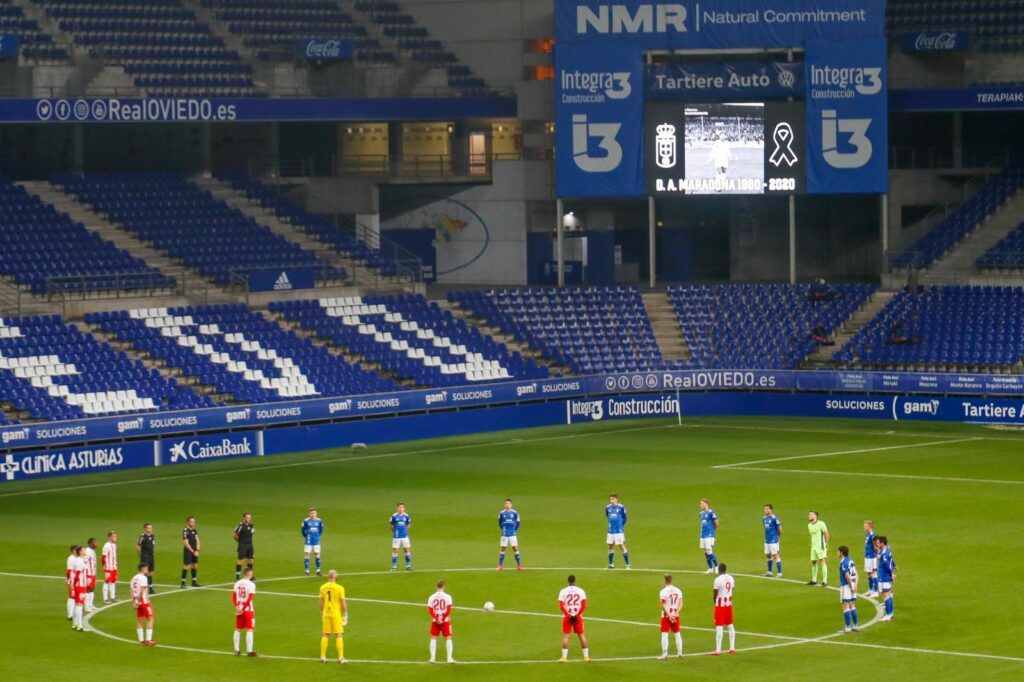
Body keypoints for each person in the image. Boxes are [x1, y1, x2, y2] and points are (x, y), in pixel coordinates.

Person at [558, 574, 590, 663]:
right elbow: (584, 605)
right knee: (582, 636)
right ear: (575, 581)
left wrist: (569, 615)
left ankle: (564, 658)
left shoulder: (563, 591)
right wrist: (577, 615)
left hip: (567, 617)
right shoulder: (581, 591)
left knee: (566, 637)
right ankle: (586, 657)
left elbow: (561, 606)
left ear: (568, 581)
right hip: (578, 617)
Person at [319, 569, 348, 663]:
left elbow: (321, 602)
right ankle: (341, 658)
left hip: (326, 613)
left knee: (325, 634)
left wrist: (322, 612)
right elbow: (343, 603)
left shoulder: (323, 587)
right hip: (336, 614)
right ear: (335, 576)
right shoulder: (340, 588)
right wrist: (345, 613)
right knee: (339, 634)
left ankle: (323, 657)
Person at [427, 580, 455, 664]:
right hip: (445, 620)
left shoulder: (432, 597)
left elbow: (430, 610)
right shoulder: (448, 597)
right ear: (444, 587)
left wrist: (437, 618)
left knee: (433, 637)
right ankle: (449, 659)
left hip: (435, 621)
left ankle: (432, 658)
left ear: (437, 586)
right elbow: (449, 609)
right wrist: (442, 619)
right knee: (448, 638)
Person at [232, 567, 257, 656]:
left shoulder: (237, 583)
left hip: (239, 609)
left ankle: (236, 650)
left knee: (238, 629)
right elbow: (250, 598)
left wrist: (237, 607)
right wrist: (243, 609)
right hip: (248, 610)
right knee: (249, 629)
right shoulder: (251, 585)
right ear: (249, 574)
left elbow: (233, 596)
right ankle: (249, 651)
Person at [711, 564, 735, 655]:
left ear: (720, 570)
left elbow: (715, 594)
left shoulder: (718, 580)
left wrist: (715, 603)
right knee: (730, 625)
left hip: (720, 605)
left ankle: (718, 650)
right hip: (728, 603)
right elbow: (732, 588)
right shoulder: (731, 578)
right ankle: (732, 648)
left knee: (719, 626)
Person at [658, 574, 684, 660]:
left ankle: (665, 654)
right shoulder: (678, 590)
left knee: (664, 634)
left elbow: (663, 605)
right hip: (675, 615)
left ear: (665, 580)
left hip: (666, 615)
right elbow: (681, 604)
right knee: (677, 634)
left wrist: (669, 615)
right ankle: (680, 653)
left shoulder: (663, 592)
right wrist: (675, 614)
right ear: (671, 580)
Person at [130, 563, 155, 646]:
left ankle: (141, 640)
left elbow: (131, 591)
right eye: (146, 569)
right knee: (151, 618)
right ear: (143, 568)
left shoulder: (133, 578)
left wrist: (134, 602)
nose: (147, 570)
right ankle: (148, 640)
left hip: (137, 602)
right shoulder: (143, 578)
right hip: (144, 601)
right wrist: (139, 600)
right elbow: (142, 590)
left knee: (140, 620)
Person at [838, 546, 860, 633]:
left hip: (846, 586)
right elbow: (857, 573)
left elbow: (847, 575)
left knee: (846, 606)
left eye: (838, 552)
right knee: (852, 605)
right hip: (853, 584)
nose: (837, 553)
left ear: (842, 552)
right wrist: (855, 585)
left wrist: (851, 586)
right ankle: (856, 626)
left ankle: (847, 628)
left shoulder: (843, 562)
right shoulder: (851, 560)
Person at [875, 536, 897, 621]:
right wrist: (894, 566)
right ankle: (890, 613)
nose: (877, 543)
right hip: (885, 576)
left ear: (882, 543)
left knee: (886, 595)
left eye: (878, 542)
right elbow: (891, 560)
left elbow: (887, 566)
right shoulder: (887, 549)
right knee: (888, 595)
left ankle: (888, 615)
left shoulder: (884, 555)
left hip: (884, 577)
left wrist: (891, 574)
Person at [605, 494, 630, 569]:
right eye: (610, 499)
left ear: (616, 499)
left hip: (619, 531)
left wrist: (621, 526)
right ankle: (611, 564)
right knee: (610, 546)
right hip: (610, 530)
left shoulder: (621, 507)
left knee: (621, 546)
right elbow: (607, 515)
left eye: (612, 499)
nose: (611, 500)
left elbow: (625, 518)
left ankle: (628, 565)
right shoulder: (607, 507)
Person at [497, 498, 522, 571]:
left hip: (512, 534)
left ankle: (519, 565)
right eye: (506, 503)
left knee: (515, 548)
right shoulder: (501, 513)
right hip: (504, 534)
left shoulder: (515, 513)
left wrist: (514, 530)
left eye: (508, 503)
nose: (507, 505)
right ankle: (500, 566)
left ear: (511, 505)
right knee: (503, 549)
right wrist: (504, 530)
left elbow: (518, 523)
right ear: (504, 505)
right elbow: (500, 524)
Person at [66, 545, 87, 631]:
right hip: (80, 585)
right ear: (80, 552)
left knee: (76, 605)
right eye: (84, 550)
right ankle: (80, 626)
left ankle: (75, 624)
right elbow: (78, 574)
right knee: (79, 605)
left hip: (79, 585)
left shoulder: (79, 560)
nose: (85, 551)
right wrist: (73, 585)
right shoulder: (80, 561)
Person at [807, 511, 829, 587]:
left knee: (822, 561)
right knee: (813, 562)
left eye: (811, 515)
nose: (809, 516)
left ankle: (824, 581)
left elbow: (826, 534)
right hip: (813, 546)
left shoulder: (821, 524)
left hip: (821, 546)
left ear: (815, 516)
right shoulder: (809, 525)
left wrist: (826, 545)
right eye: (809, 514)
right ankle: (814, 580)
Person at [390, 502, 412, 572]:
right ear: (397, 508)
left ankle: (408, 565)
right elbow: (391, 526)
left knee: (406, 550)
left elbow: (408, 525)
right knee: (395, 551)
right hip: (396, 537)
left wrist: (405, 531)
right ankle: (394, 566)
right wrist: (395, 531)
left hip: (405, 536)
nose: (401, 508)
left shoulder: (407, 516)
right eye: (399, 507)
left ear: (404, 508)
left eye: (402, 507)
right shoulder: (393, 516)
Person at [302, 508, 324, 577]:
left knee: (317, 554)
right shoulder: (305, 521)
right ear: (309, 514)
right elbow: (303, 531)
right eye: (311, 513)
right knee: (307, 554)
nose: (313, 514)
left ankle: (318, 571)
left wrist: (317, 536)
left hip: (316, 540)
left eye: (314, 513)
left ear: (316, 513)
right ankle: (307, 571)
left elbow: (320, 530)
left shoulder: (319, 521)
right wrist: (307, 536)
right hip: (308, 540)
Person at [699, 499, 719, 573]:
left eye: (702, 504)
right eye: (700, 504)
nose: (701, 505)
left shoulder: (711, 512)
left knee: (709, 550)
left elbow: (716, 523)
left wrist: (713, 534)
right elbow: (703, 524)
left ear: (706, 504)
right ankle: (710, 568)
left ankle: (717, 566)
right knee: (706, 551)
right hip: (703, 534)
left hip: (709, 534)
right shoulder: (701, 514)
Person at [234, 513, 255, 581]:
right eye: (247, 518)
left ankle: (250, 576)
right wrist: (240, 542)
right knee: (241, 560)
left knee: (251, 560)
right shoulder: (240, 526)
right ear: (244, 518)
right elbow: (235, 535)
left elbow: (252, 534)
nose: (249, 519)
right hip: (242, 545)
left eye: (249, 518)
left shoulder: (252, 525)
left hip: (250, 545)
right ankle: (237, 576)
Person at [763, 505, 782, 577]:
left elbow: (780, 529)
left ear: (770, 510)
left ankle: (779, 573)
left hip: (774, 540)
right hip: (767, 539)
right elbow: (765, 528)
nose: (765, 510)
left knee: (775, 555)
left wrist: (777, 537)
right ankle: (769, 571)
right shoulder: (764, 518)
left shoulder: (774, 518)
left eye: (766, 509)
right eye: (764, 509)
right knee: (768, 555)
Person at [181, 516, 200, 589]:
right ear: (188, 522)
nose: (193, 523)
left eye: (194, 521)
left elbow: (198, 540)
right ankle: (183, 583)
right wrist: (192, 551)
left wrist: (197, 550)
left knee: (195, 565)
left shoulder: (194, 530)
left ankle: (194, 581)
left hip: (195, 550)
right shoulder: (185, 531)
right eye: (191, 521)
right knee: (186, 565)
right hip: (188, 550)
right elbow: (185, 542)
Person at [137, 523, 156, 594]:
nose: (150, 529)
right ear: (145, 529)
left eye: (151, 528)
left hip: (151, 556)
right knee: (145, 571)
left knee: (151, 571)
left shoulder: (152, 536)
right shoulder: (143, 536)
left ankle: (150, 588)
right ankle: (143, 587)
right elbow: (138, 545)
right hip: (145, 556)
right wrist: (140, 554)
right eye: (149, 528)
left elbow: (153, 545)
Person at [101, 531, 118, 603]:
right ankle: (105, 598)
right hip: (108, 567)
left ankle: (113, 597)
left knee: (113, 581)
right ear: (110, 537)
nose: (115, 538)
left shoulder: (114, 545)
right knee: (107, 582)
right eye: (114, 536)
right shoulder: (106, 546)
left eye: (115, 536)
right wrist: (104, 566)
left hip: (114, 567)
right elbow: (103, 557)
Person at [863, 520, 878, 597]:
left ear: (870, 526)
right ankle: (870, 590)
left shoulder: (872, 535)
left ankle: (876, 591)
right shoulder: (867, 534)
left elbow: (876, 546)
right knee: (869, 573)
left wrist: (877, 554)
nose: (864, 527)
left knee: (873, 573)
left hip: (872, 556)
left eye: (865, 526)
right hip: (867, 555)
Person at [83, 537, 98, 612]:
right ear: (90, 543)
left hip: (92, 573)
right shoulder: (87, 551)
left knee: (92, 589)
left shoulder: (92, 551)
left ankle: (91, 605)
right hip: (88, 574)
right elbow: (84, 562)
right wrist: (85, 573)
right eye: (94, 542)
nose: (96, 544)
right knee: (88, 590)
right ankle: (86, 607)